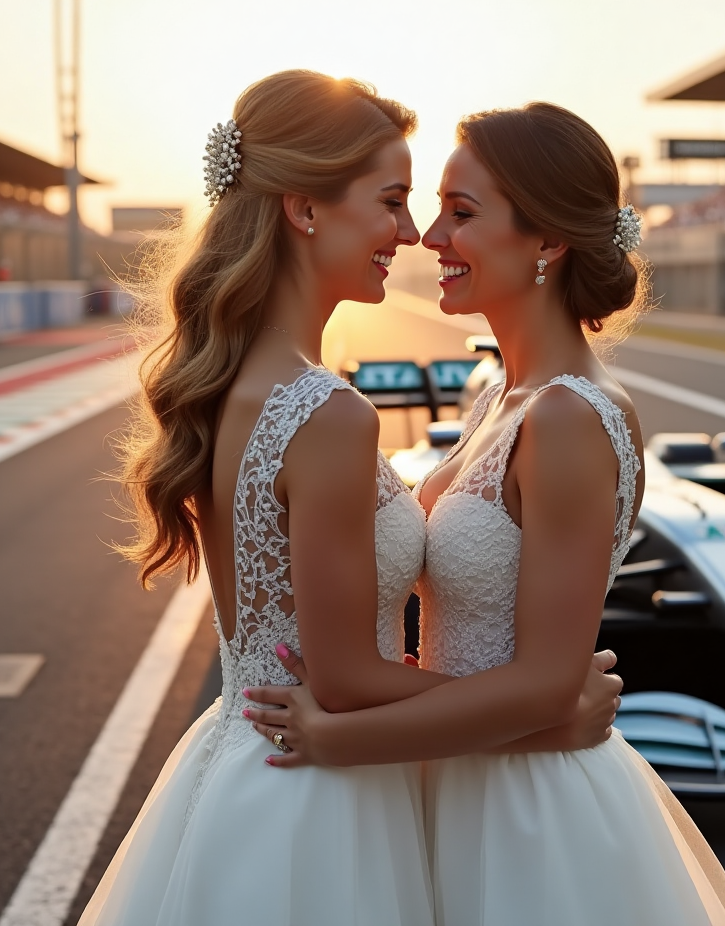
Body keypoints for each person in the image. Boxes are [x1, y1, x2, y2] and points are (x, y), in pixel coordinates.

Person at [83, 72, 620, 925]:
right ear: (304, 210)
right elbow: (341, 677)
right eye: (395, 201)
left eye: (443, 209)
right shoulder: (326, 413)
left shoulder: (237, 381)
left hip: (245, 766)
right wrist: (547, 711)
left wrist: (532, 695)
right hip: (318, 794)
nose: (412, 234)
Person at [250, 102, 725, 926]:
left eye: (462, 213)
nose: (430, 237)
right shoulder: (502, 398)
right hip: (450, 772)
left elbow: (553, 683)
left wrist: (339, 735)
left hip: (526, 811)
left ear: (548, 241)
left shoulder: (571, 418)